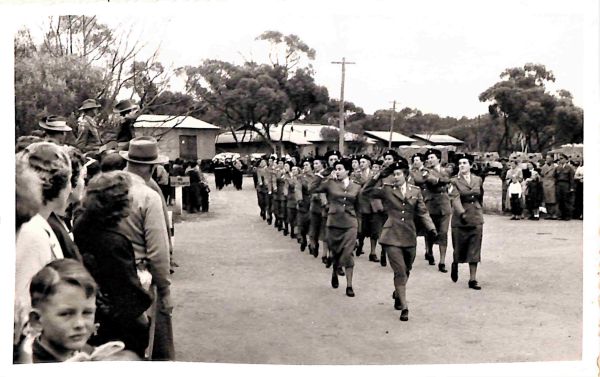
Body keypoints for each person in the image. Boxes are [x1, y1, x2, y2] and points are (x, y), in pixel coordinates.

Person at [74, 171, 152, 357]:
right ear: (119, 203)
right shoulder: (114, 242)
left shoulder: (82, 224)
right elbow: (128, 294)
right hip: (116, 327)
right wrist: (144, 283)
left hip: (94, 314)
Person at [15, 259, 139, 363]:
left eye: (87, 313)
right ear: (36, 320)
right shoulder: (26, 362)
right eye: (66, 314)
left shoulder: (92, 355)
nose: (80, 324)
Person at [117, 137, 174, 360]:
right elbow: (158, 251)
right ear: (151, 167)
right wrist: (166, 290)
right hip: (142, 279)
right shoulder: (147, 195)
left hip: (110, 277)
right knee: (156, 345)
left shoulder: (105, 188)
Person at [362, 158, 437, 321]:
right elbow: (365, 192)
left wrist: (431, 228)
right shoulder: (387, 189)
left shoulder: (415, 191)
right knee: (400, 271)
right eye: (393, 174)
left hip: (409, 235)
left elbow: (422, 212)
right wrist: (377, 177)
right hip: (391, 236)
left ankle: (398, 292)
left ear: (406, 175)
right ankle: (405, 307)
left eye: (398, 174)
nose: (395, 177)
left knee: (407, 269)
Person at [14, 142, 72, 345]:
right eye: (72, 180)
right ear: (61, 185)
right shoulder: (33, 232)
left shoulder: (41, 224)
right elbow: (25, 307)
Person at [310, 156, 361, 297]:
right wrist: (321, 174)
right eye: (336, 169)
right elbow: (312, 188)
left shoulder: (356, 185)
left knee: (348, 254)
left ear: (348, 171)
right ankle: (335, 268)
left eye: (340, 169)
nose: (337, 172)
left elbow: (359, 209)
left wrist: (359, 231)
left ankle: (349, 285)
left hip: (350, 224)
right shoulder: (330, 183)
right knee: (336, 251)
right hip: (333, 223)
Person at [448, 153, 485, 290]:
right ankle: (455, 262)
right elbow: (454, 198)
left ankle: (472, 279)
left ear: (470, 165)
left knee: (475, 248)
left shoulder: (478, 179)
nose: (462, 165)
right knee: (459, 246)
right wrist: (462, 212)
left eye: (465, 163)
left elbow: (480, 195)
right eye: (460, 163)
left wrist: (479, 209)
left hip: (475, 216)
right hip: (460, 218)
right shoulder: (454, 181)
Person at [422, 148, 451, 273]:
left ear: (439, 159)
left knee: (443, 233)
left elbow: (450, 178)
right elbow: (430, 180)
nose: (429, 160)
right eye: (428, 158)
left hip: (444, 205)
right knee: (430, 231)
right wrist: (442, 181)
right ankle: (429, 251)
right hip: (431, 204)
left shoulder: (445, 170)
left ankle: (442, 261)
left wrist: (444, 180)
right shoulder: (425, 170)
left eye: (432, 157)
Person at [554, 154, 575, 221]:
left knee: (566, 200)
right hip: (559, 184)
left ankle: (567, 215)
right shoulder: (557, 168)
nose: (561, 160)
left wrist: (571, 187)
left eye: (562, 158)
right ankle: (561, 215)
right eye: (560, 159)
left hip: (566, 184)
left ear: (566, 160)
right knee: (560, 200)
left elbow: (571, 178)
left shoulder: (569, 167)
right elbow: (555, 176)